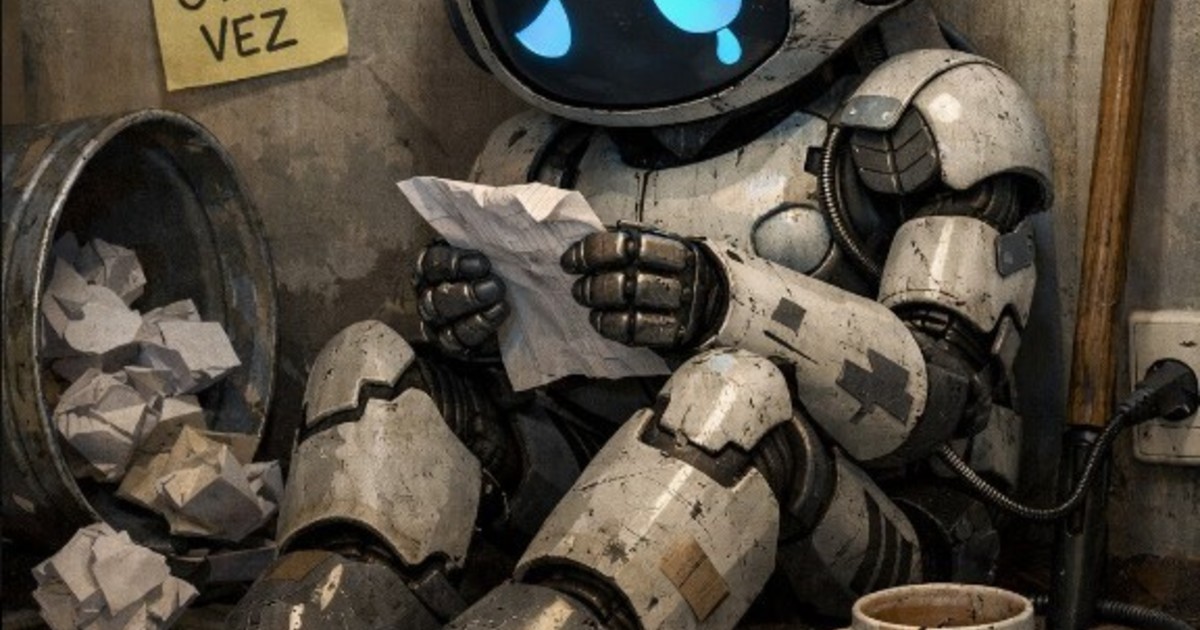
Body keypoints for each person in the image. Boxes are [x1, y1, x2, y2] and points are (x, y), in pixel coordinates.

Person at [231, 0, 1053, 627]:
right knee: (370, 363)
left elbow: (936, 403)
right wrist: (479, 326)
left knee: (733, 395)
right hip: (590, 498)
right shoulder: (537, 147)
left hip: (867, 530)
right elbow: (518, 386)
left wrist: (725, 302)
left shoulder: (933, 116)